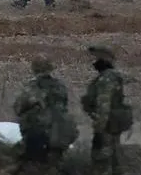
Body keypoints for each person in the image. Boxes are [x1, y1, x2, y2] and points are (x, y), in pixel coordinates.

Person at [12, 57, 77, 175]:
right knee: (54, 165)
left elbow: (18, 107)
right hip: (61, 133)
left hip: (39, 134)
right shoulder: (60, 86)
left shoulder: (32, 87)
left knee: (25, 162)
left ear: (34, 69)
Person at [82, 45, 133, 175]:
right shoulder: (112, 77)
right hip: (112, 126)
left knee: (102, 163)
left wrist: (99, 129)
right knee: (115, 160)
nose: (93, 62)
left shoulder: (106, 79)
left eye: (95, 58)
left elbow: (104, 106)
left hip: (106, 127)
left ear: (103, 60)